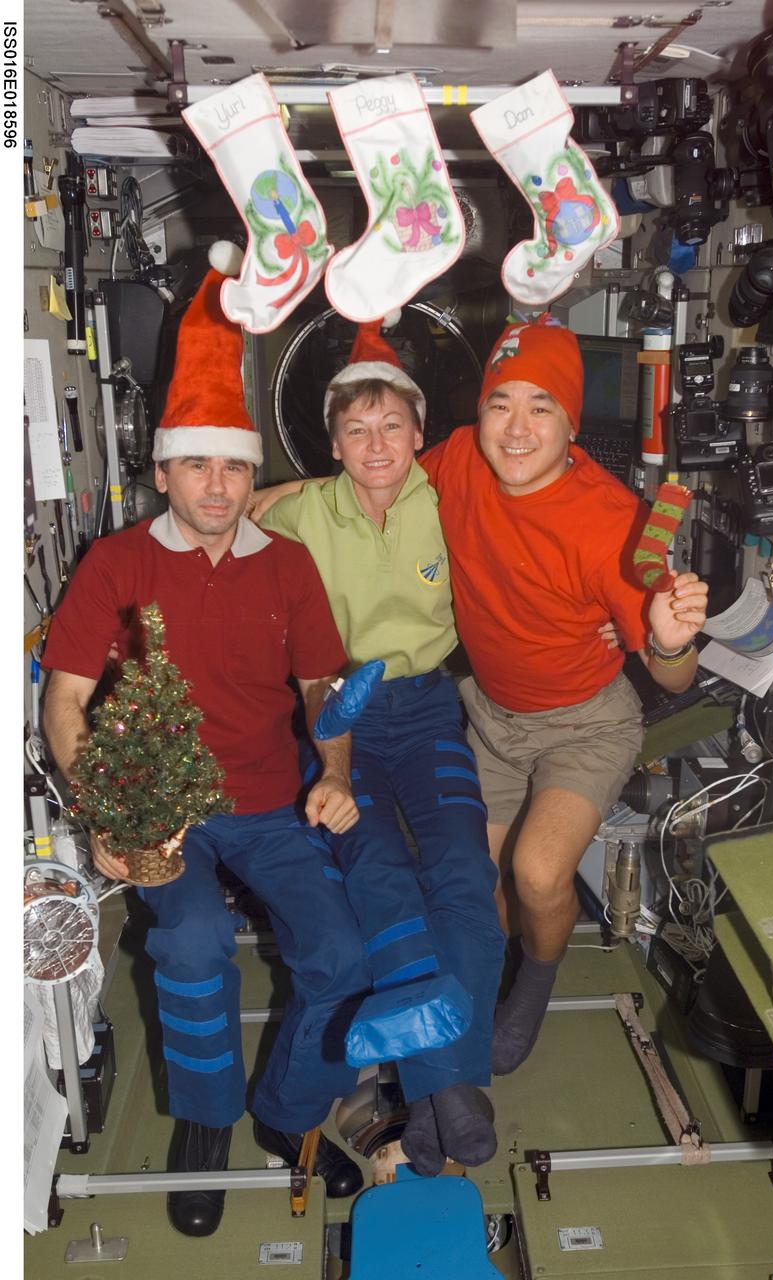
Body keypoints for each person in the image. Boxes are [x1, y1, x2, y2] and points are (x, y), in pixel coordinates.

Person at [253, 314, 709, 1080]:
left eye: (541, 407)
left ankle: (534, 983)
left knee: (537, 873)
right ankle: (461, 1028)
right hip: (490, 717)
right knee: (473, 890)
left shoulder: (612, 526)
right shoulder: (460, 458)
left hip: (584, 723)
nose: (517, 429)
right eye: (501, 404)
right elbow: (377, 469)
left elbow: (676, 680)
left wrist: (667, 642)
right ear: (479, 413)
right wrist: (271, 492)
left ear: (571, 423)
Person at [41, 268, 368, 1240]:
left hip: (267, 800)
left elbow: (320, 688)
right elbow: (65, 701)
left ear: (249, 472)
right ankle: (206, 1114)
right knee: (188, 946)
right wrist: (106, 813)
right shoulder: (116, 564)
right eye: (196, 467)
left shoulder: (289, 565)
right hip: (159, 808)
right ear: (163, 471)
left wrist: (336, 770)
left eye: (232, 466)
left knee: (341, 955)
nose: (217, 486)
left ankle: (286, 1107)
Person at [258, 322, 505, 1177]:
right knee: (381, 876)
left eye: (392, 425)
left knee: (466, 875)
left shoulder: (450, 496)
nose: (375, 445)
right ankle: (445, 1090)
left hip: (429, 706)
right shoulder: (296, 513)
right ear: (331, 443)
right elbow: (217, 523)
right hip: (336, 717)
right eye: (355, 429)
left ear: (419, 431)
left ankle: (446, 1089)